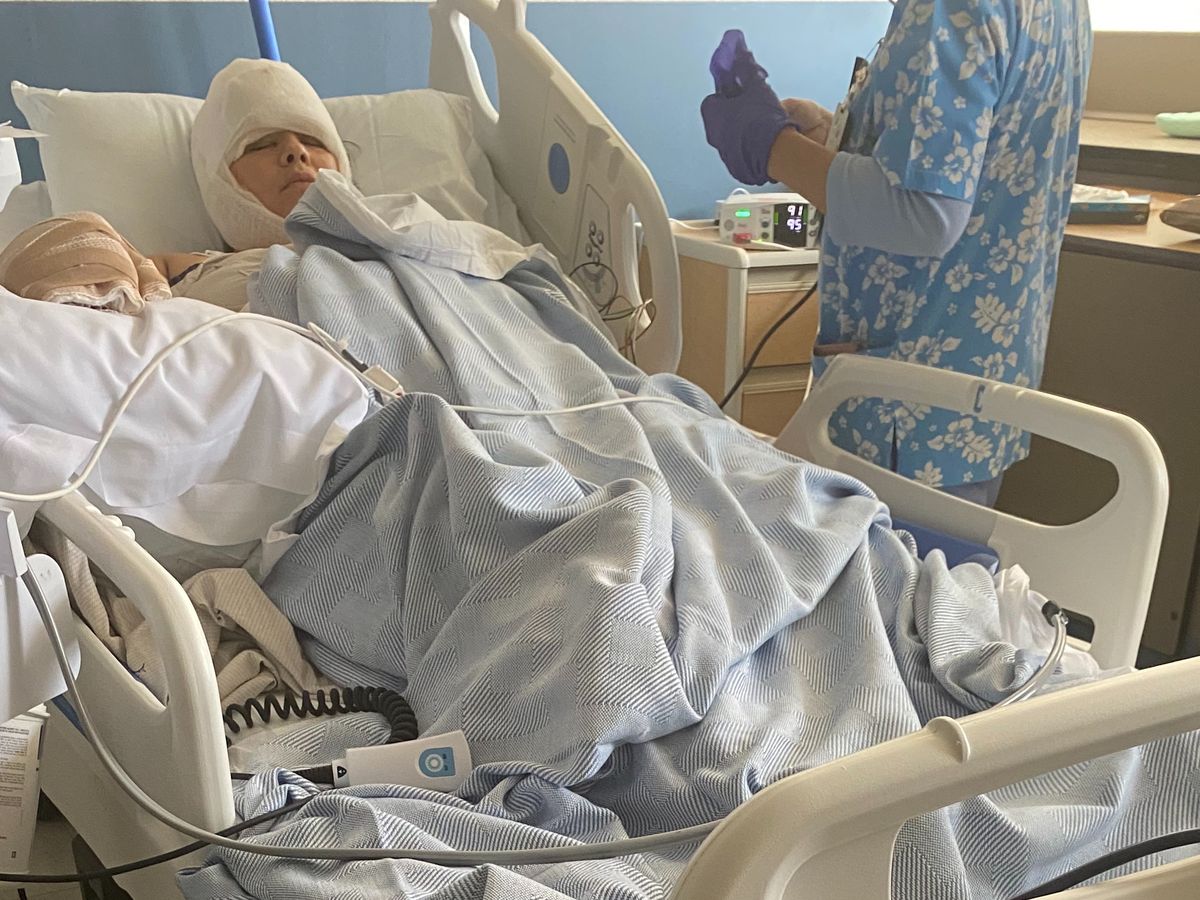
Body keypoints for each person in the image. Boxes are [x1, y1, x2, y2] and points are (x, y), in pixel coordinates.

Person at [700, 0, 1092, 507]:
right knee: (948, 557)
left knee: (890, 559)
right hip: (974, 394)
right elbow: (959, 161)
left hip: (909, 405)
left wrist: (771, 146)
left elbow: (924, 212)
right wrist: (828, 138)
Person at [151, 58, 351, 310]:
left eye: (313, 141)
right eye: (261, 145)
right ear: (219, 177)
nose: (296, 151)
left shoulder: (393, 238)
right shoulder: (177, 270)